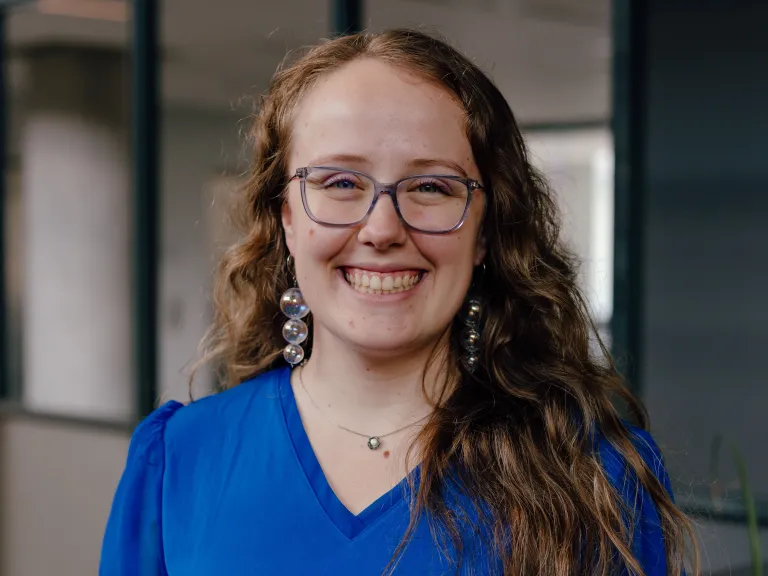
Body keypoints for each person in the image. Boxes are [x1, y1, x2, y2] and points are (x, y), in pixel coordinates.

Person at [100, 28, 698, 575]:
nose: (382, 229)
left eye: (431, 186)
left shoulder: (594, 473)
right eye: (340, 182)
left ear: (485, 231)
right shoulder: (177, 460)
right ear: (286, 218)